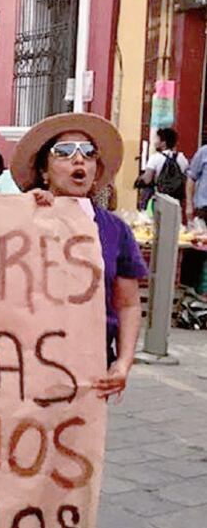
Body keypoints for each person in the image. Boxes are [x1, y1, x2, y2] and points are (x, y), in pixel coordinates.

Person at [11, 112, 146, 401]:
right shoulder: (20, 219)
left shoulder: (115, 231)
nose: (78, 159)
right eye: (64, 152)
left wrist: (123, 363)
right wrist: (25, 213)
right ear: (44, 172)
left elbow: (128, 304)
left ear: (96, 170)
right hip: (20, 364)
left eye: (88, 152)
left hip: (89, 369)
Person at [138, 128, 188, 207]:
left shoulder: (155, 158)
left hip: (159, 199)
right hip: (176, 200)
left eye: (157, 139)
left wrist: (140, 180)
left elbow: (147, 180)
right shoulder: (182, 158)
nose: (155, 142)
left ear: (163, 143)